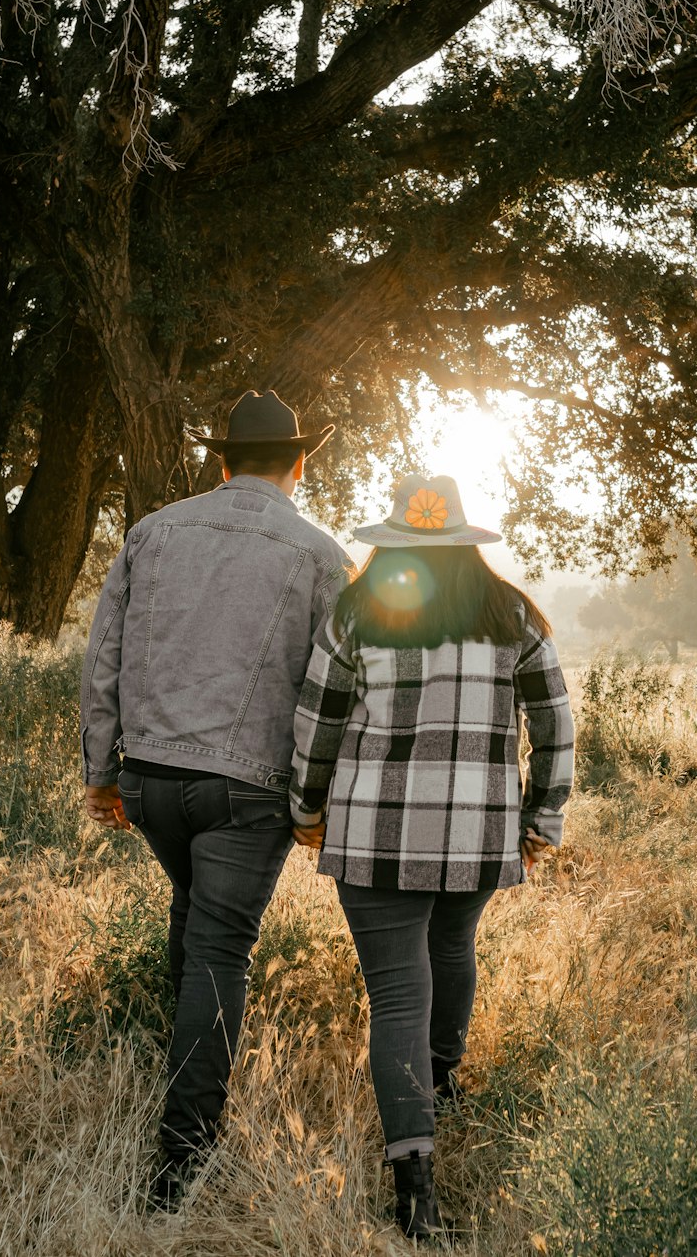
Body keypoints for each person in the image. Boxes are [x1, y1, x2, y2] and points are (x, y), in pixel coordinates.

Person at [81, 389, 352, 1210]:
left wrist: (102, 770)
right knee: (219, 950)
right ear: (300, 463)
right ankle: (183, 1156)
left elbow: (104, 658)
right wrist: (316, 798)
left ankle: (176, 1076)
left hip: (152, 780)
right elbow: (329, 687)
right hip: (248, 788)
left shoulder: (152, 530)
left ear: (223, 460)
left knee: (193, 919)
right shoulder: (318, 552)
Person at [290, 473, 574, 1241]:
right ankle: (439, 1085)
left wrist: (305, 810)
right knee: (452, 948)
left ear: (392, 545)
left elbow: (317, 721)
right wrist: (542, 817)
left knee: (396, 997)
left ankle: (416, 1194)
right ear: (464, 544)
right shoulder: (513, 614)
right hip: (476, 837)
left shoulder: (357, 613)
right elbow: (555, 722)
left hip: (373, 836)